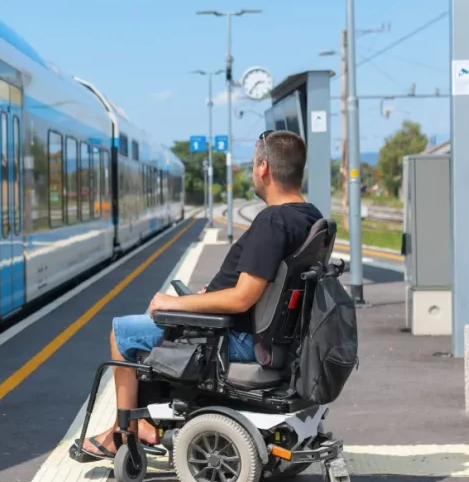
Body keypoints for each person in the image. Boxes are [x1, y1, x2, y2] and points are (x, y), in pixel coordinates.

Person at [80, 129, 323, 459]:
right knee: (158, 326)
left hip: (236, 337)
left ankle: (125, 432)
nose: (253, 171)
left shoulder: (273, 221)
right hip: (275, 337)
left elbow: (241, 299)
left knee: (123, 333)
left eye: (253, 164)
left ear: (263, 168)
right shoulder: (310, 216)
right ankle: (145, 422)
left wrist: (179, 303)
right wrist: (205, 298)